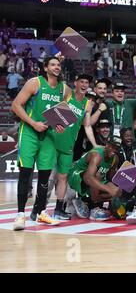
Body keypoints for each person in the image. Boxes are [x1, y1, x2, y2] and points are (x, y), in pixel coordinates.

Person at [12, 55, 71, 230]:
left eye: (58, 64)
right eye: (52, 64)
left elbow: (64, 113)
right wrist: (33, 123)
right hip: (30, 132)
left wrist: (61, 124)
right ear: (45, 68)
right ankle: (20, 215)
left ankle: (41, 212)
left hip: (49, 136)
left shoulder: (64, 90)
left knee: (45, 177)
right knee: (25, 173)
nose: (56, 67)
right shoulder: (34, 83)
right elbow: (16, 105)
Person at [50, 74, 97, 220]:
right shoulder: (67, 94)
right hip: (52, 142)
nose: (84, 84)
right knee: (49, 178)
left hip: (68, 146)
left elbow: (87, 125)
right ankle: (38, 209)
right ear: (75, 83)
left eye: (87, 82)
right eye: (81, 81)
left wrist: (95, 145)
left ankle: (58, 209)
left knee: (63, 177)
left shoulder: (87, 104)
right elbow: (54, 85)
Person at [68, 138, 122, 221]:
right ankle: (94, 208)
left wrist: (119, 188)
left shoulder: (115, 159)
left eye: (117, 149)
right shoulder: (96, 155)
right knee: (97, 176)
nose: (114, 150)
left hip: (95, 179)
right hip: (76, 176)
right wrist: (108, 189)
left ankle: (84, 201)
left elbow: (111, 178)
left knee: (116, 192)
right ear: (107, 145)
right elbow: (89, 178)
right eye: (112, 147)